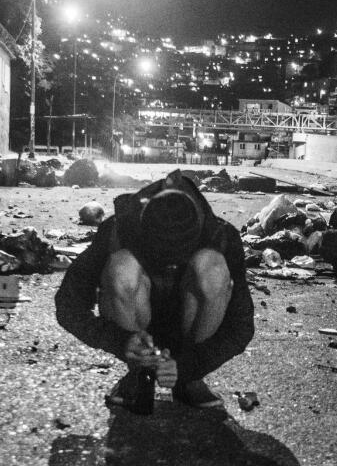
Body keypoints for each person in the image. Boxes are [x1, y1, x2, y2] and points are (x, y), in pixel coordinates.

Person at [55, 170, 254, 412]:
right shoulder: (118, 230)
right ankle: (140, 374)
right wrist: (120, 342)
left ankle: (189, 381)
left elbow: (241, 326)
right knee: (121, 267)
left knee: (212, 267)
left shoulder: (221, 236)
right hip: (135, 325)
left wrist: (190, 366)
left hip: (192, 332)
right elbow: (69, 304)